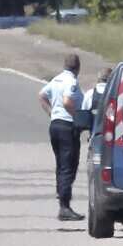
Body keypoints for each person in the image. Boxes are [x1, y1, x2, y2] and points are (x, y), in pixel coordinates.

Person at [39, 54, 85, 221]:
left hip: (55, 125)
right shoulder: (71, 82)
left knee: (61, 164)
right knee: (68, 165)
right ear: (78, 68)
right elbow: (67, 101)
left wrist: (52, 114)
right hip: (67, 126)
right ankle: (64, 206)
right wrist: (77, 118)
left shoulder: (57, 79)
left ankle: (62, 197)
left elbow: (42, 96)